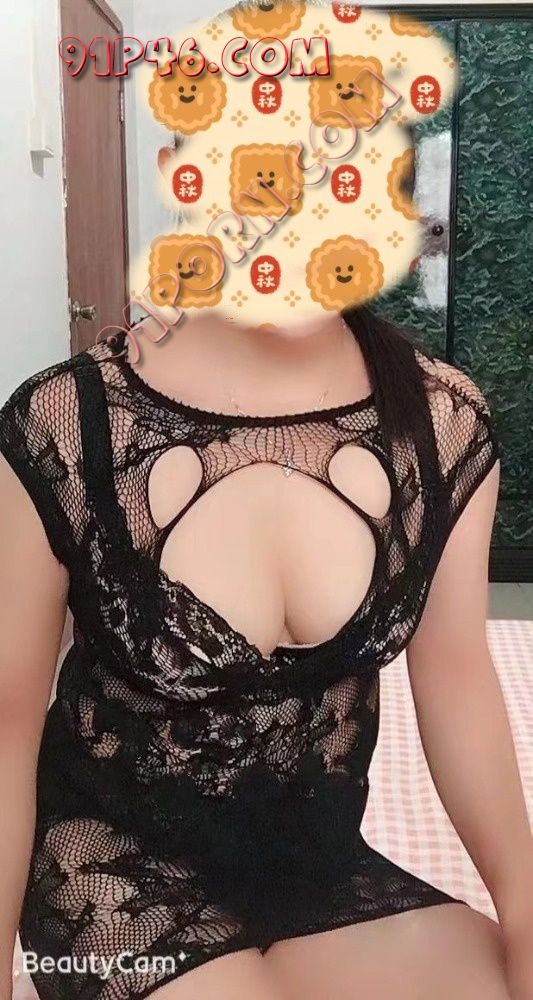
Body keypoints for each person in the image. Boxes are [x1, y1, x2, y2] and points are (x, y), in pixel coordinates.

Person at [0, 303, 532, 1000]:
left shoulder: (440, 417)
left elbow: (458, 681)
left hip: (318, 866)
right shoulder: (68, 417)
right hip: (112, 869)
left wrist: (524, 904)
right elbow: (6, 728)